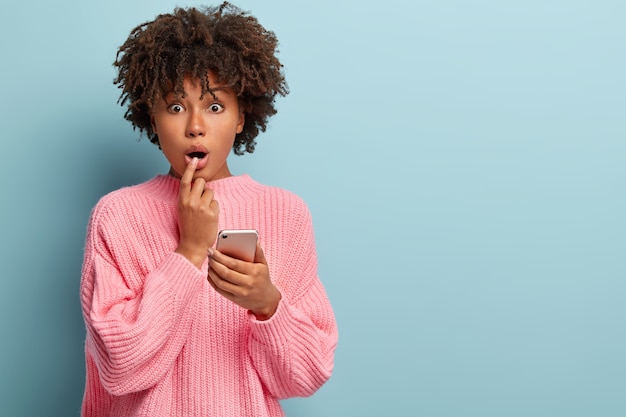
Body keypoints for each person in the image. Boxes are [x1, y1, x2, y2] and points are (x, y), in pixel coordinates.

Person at [79, 3, 338, 416]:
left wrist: (267, 304)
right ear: (153, 115)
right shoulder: (118, 215)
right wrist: (190, 252)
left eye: (215, 107)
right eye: (176, 107)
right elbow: (118, 366)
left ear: (241, 116)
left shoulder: (286, 213)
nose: (195, 126)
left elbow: (306, 376)